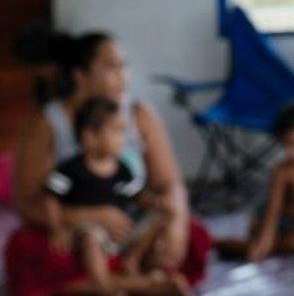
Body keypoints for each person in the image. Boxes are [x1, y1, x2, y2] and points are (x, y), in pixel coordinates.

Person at [6, 31, 211, 295]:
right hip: (79, 232)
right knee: (30, 248)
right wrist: (88, 216)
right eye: (112, 68)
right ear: (81, 76)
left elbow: (169, 183)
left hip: (129, 230)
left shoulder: (139, 114)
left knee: (189, 233)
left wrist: (176, 224)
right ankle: (135, 285)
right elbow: (28, 202)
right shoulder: (47, 125)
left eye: (124, 67)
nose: (123, 76)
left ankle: (115, 279)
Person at [44, 97, 187, 294]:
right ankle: (105, 282)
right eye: (116, 131)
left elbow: (136, 195)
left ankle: (132, 260)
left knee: (161, 216)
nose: (123, 138)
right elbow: (51, 196)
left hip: (121, 231)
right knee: (90, 238)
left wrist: (156, 203)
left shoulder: (121, 169)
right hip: (92, 230)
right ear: (89, 136)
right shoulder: (71, 169)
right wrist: (57, 228)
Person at [215, 101, 294, 262]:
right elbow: (273, 211)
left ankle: (248, 245)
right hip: (278, 219)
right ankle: (226, 244)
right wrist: (264, 244)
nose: (290, 152)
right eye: (285, 146)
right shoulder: (283, 171)